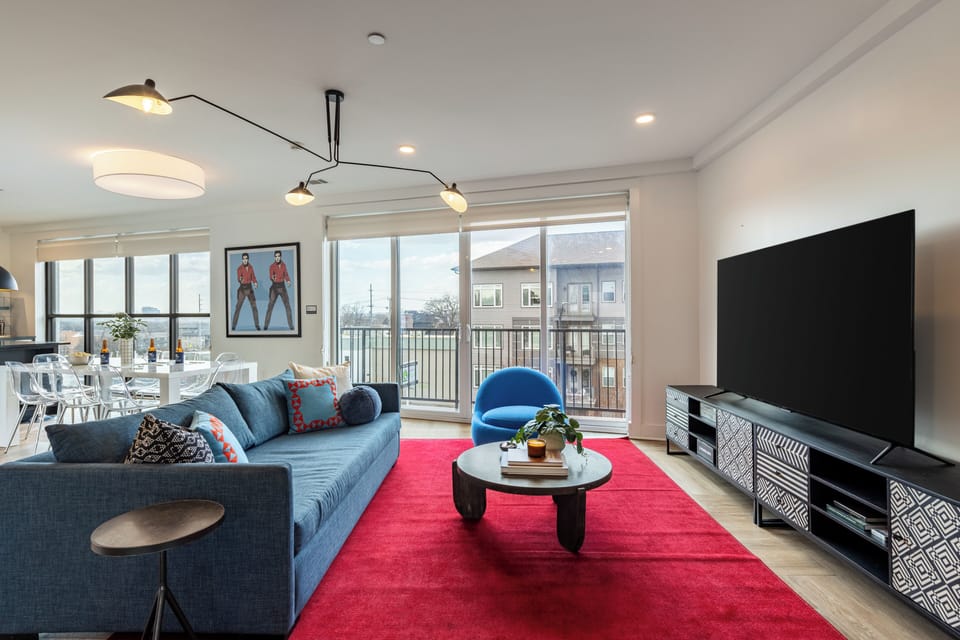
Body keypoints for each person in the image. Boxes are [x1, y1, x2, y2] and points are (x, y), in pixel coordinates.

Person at [264, 250, 294, 330]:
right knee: (270, 306)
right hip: (274, 287)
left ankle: (291, 326)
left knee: (287, 306)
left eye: (278, 256)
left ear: (280, 257)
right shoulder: (272, 266)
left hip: (282, 286)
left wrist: (288, 280)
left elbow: (286, 274)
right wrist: (273, 277)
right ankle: (265, 326)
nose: (277, 258)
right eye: (276, 256)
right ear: (274, 257)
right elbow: (271, 276)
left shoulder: (284, 265)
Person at [231, 252, 260, 331]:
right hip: (242, 289)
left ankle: (257, 325)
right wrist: (240, 279)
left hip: (250, 288)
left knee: (254, 307)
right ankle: (233, 326)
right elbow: (239, 278)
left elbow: (253, 277)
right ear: (242, 259)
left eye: (246, 258)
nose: (245, 260)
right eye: (243, 259)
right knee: (238, 307)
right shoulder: (239, 268)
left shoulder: (251, 267)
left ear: (248, 259)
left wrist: (255, 282)